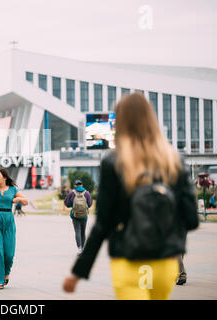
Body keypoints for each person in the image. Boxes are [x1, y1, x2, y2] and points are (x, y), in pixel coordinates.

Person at [63, 93, 199, 300]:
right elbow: (191, 218)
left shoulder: (113, 162)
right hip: (164, 262)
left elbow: (103, 224)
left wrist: (78, 272)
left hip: (127, 259)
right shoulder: (174, 160)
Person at [64, 179, 93, 256]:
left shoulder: (72, 193)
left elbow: (66, 203)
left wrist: (72, 205)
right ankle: (83, 249)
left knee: (77, 231)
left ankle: (80, 249)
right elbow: (90, 204)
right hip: (84, 216)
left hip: (75, 215)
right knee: (83, 232)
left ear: (75, 185)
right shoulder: (87, 193)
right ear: (82, 185)